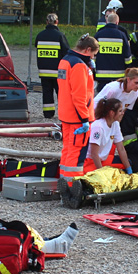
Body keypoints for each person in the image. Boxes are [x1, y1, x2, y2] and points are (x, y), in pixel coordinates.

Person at [57, 35, 100, 179]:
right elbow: (79, 95)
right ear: (88, 50)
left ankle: (63, 180)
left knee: (68, 150)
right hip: (77, 118)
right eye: (93, 54)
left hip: (66, 115)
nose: (93, 58)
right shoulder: (79, 66)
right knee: (76, 153)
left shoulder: (65, 61)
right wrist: (85, 119)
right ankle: (72, 185)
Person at [34, 13, 70, 119]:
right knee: (61, 93)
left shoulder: (40, 35)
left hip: (44, 70)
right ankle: (62, 113)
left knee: (47, 92)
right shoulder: (60, 36)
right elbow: (66, 52)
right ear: (57, 22)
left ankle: (48, 114)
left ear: (46, 22)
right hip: (58, 71)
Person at [85, 97, 131, 174]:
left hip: (104, 160)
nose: (123, 113)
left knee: (127, 163)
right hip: (91, 162)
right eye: (120, 111)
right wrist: (102, 173)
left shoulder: (115, 124)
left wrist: (129, 169)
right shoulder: (98, 127)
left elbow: (121, 148)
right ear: (112, 113)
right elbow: (94, 154)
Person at [94, 9, 133, 90]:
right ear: (117, 23)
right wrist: (126, 68)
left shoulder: (99, 34)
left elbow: (93, 55)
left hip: (101, 75)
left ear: (106, 21)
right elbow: (128, 57)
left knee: (103, 100)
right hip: (118, 76)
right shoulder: (122, 35)